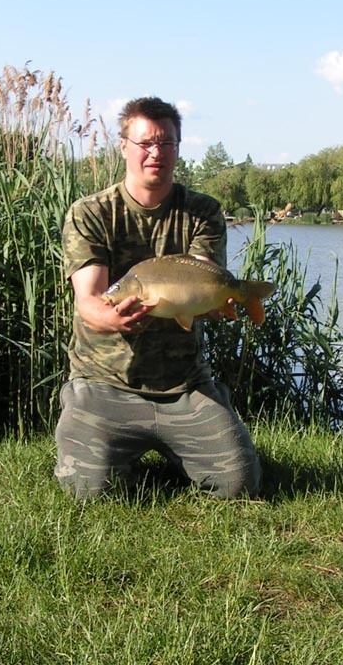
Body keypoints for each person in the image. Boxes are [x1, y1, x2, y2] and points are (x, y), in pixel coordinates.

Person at [54, 96, 262, 500]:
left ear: (178, 149)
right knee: (87, 490)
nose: (156, 153)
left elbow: (202, 276)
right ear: (124, 147)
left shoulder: (202, 212)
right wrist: (111, 319)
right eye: (145, 143)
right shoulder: (91, 212)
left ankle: (187, 440)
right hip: (106, 382)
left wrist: (217, 304)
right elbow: (91, 300)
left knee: (240, 484)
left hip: (184, 384)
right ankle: (105, 437)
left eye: (166, 143)